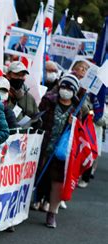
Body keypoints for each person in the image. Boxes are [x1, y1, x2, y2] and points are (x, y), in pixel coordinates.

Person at [36, 74, 80, 228]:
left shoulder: (77, 109)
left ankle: (52, 213)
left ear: (74, 91)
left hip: (62, 152)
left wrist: (74, 123)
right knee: (37, 176)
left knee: (57, 182)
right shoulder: (49, 101)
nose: (65, 90)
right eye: (63, 86)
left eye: (69, 88)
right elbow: (38, 119)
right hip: (43, 146)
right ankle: (36, 200)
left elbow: (79, 132)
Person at [6, 61, 39, 126]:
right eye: (16, 74)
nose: (20, 78)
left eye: (22, 75)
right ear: (8, 75)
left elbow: (37, 117)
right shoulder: (1, 93)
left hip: (24, 134)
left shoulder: (29, 97)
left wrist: (36, 123)